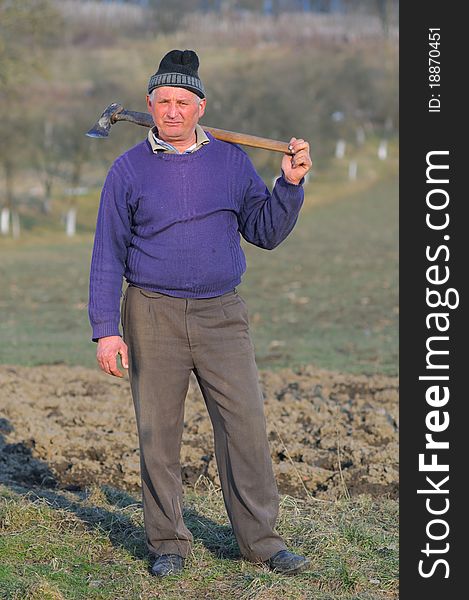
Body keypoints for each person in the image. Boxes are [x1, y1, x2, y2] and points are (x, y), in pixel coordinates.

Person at [88, 49, 312, 578]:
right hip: (151, 312)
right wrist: (106, 330)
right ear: (149, 104)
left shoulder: (231, 162)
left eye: (182, 101)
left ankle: (261, 541)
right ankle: (168, 542)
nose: (171, 111)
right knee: (158, 435)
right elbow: (106, 253)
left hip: (222, 316)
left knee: (245, 428)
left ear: (200, 106)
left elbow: (264, 232)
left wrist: (290, 185)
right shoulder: (127, 170)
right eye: (162, 101)